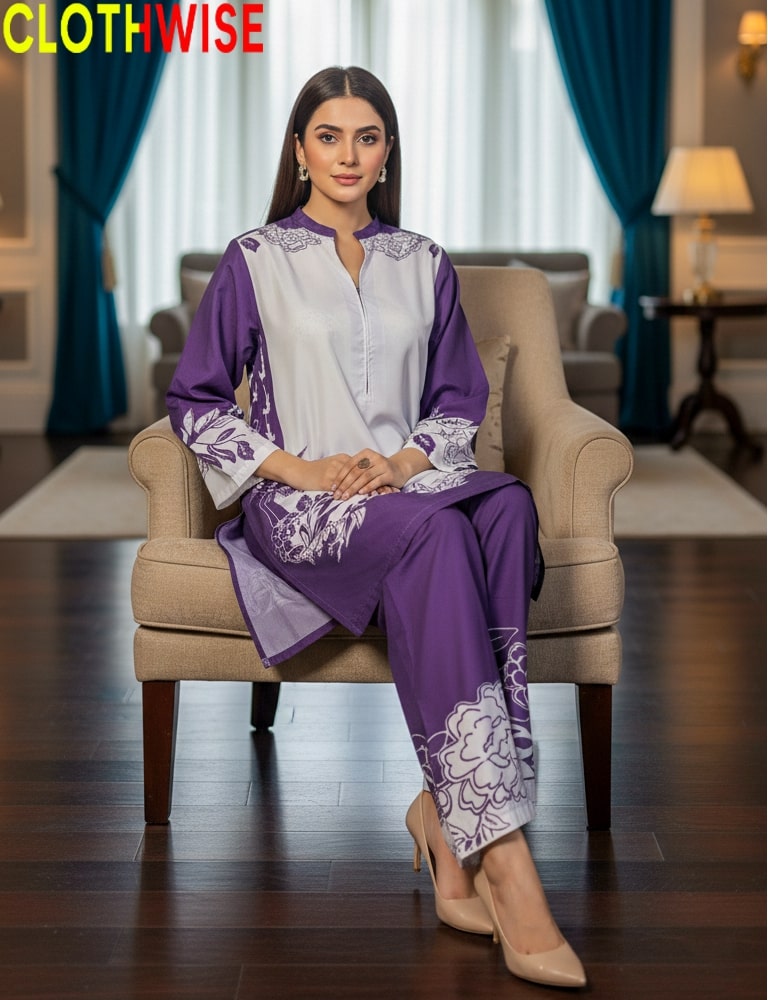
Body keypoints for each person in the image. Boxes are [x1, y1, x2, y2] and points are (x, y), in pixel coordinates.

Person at [166, 65, 586, 990]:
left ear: (387, 151)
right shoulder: (254, 259)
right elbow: (194, 402)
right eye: (329, 135)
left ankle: (449, 813)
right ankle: (506, 860)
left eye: (367, 136)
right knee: (445, 534)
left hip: (408, 488)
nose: (347, 154)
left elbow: (456, 401)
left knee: (509, 506)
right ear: (299, 148)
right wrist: (302, 468)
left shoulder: (424, 262)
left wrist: (397, 466)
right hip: (300, 505)